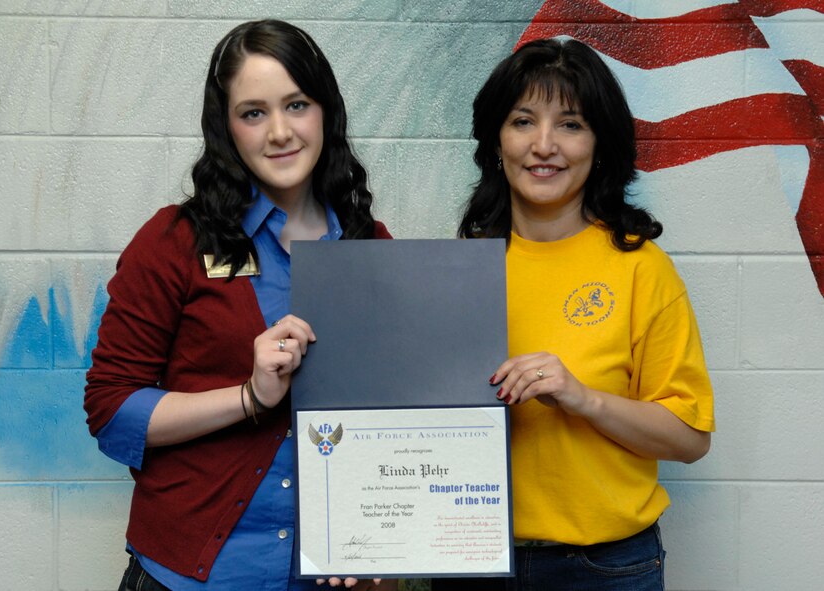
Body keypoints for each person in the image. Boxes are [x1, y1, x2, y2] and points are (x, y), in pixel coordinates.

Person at [84, 19, 395, 591]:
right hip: (191, 576)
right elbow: (110, 409)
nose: (279, 131)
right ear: (226, 128)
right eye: (253, 112)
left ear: (326, 110)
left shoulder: (370, 246)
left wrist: (382, 538)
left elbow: (392, 418)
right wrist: (249, 397)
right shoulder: (174, 241)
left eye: (296, 105)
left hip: (322, 576)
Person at [433, 38, 715, 591]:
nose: (543, 146)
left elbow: (690, 437)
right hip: (472, 563)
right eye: (522, 121)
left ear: (600, 144)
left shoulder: (640, 267)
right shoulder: (457, 268)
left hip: (605, 569)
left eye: (570, 124)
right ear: (496, 139)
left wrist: (582, 398)